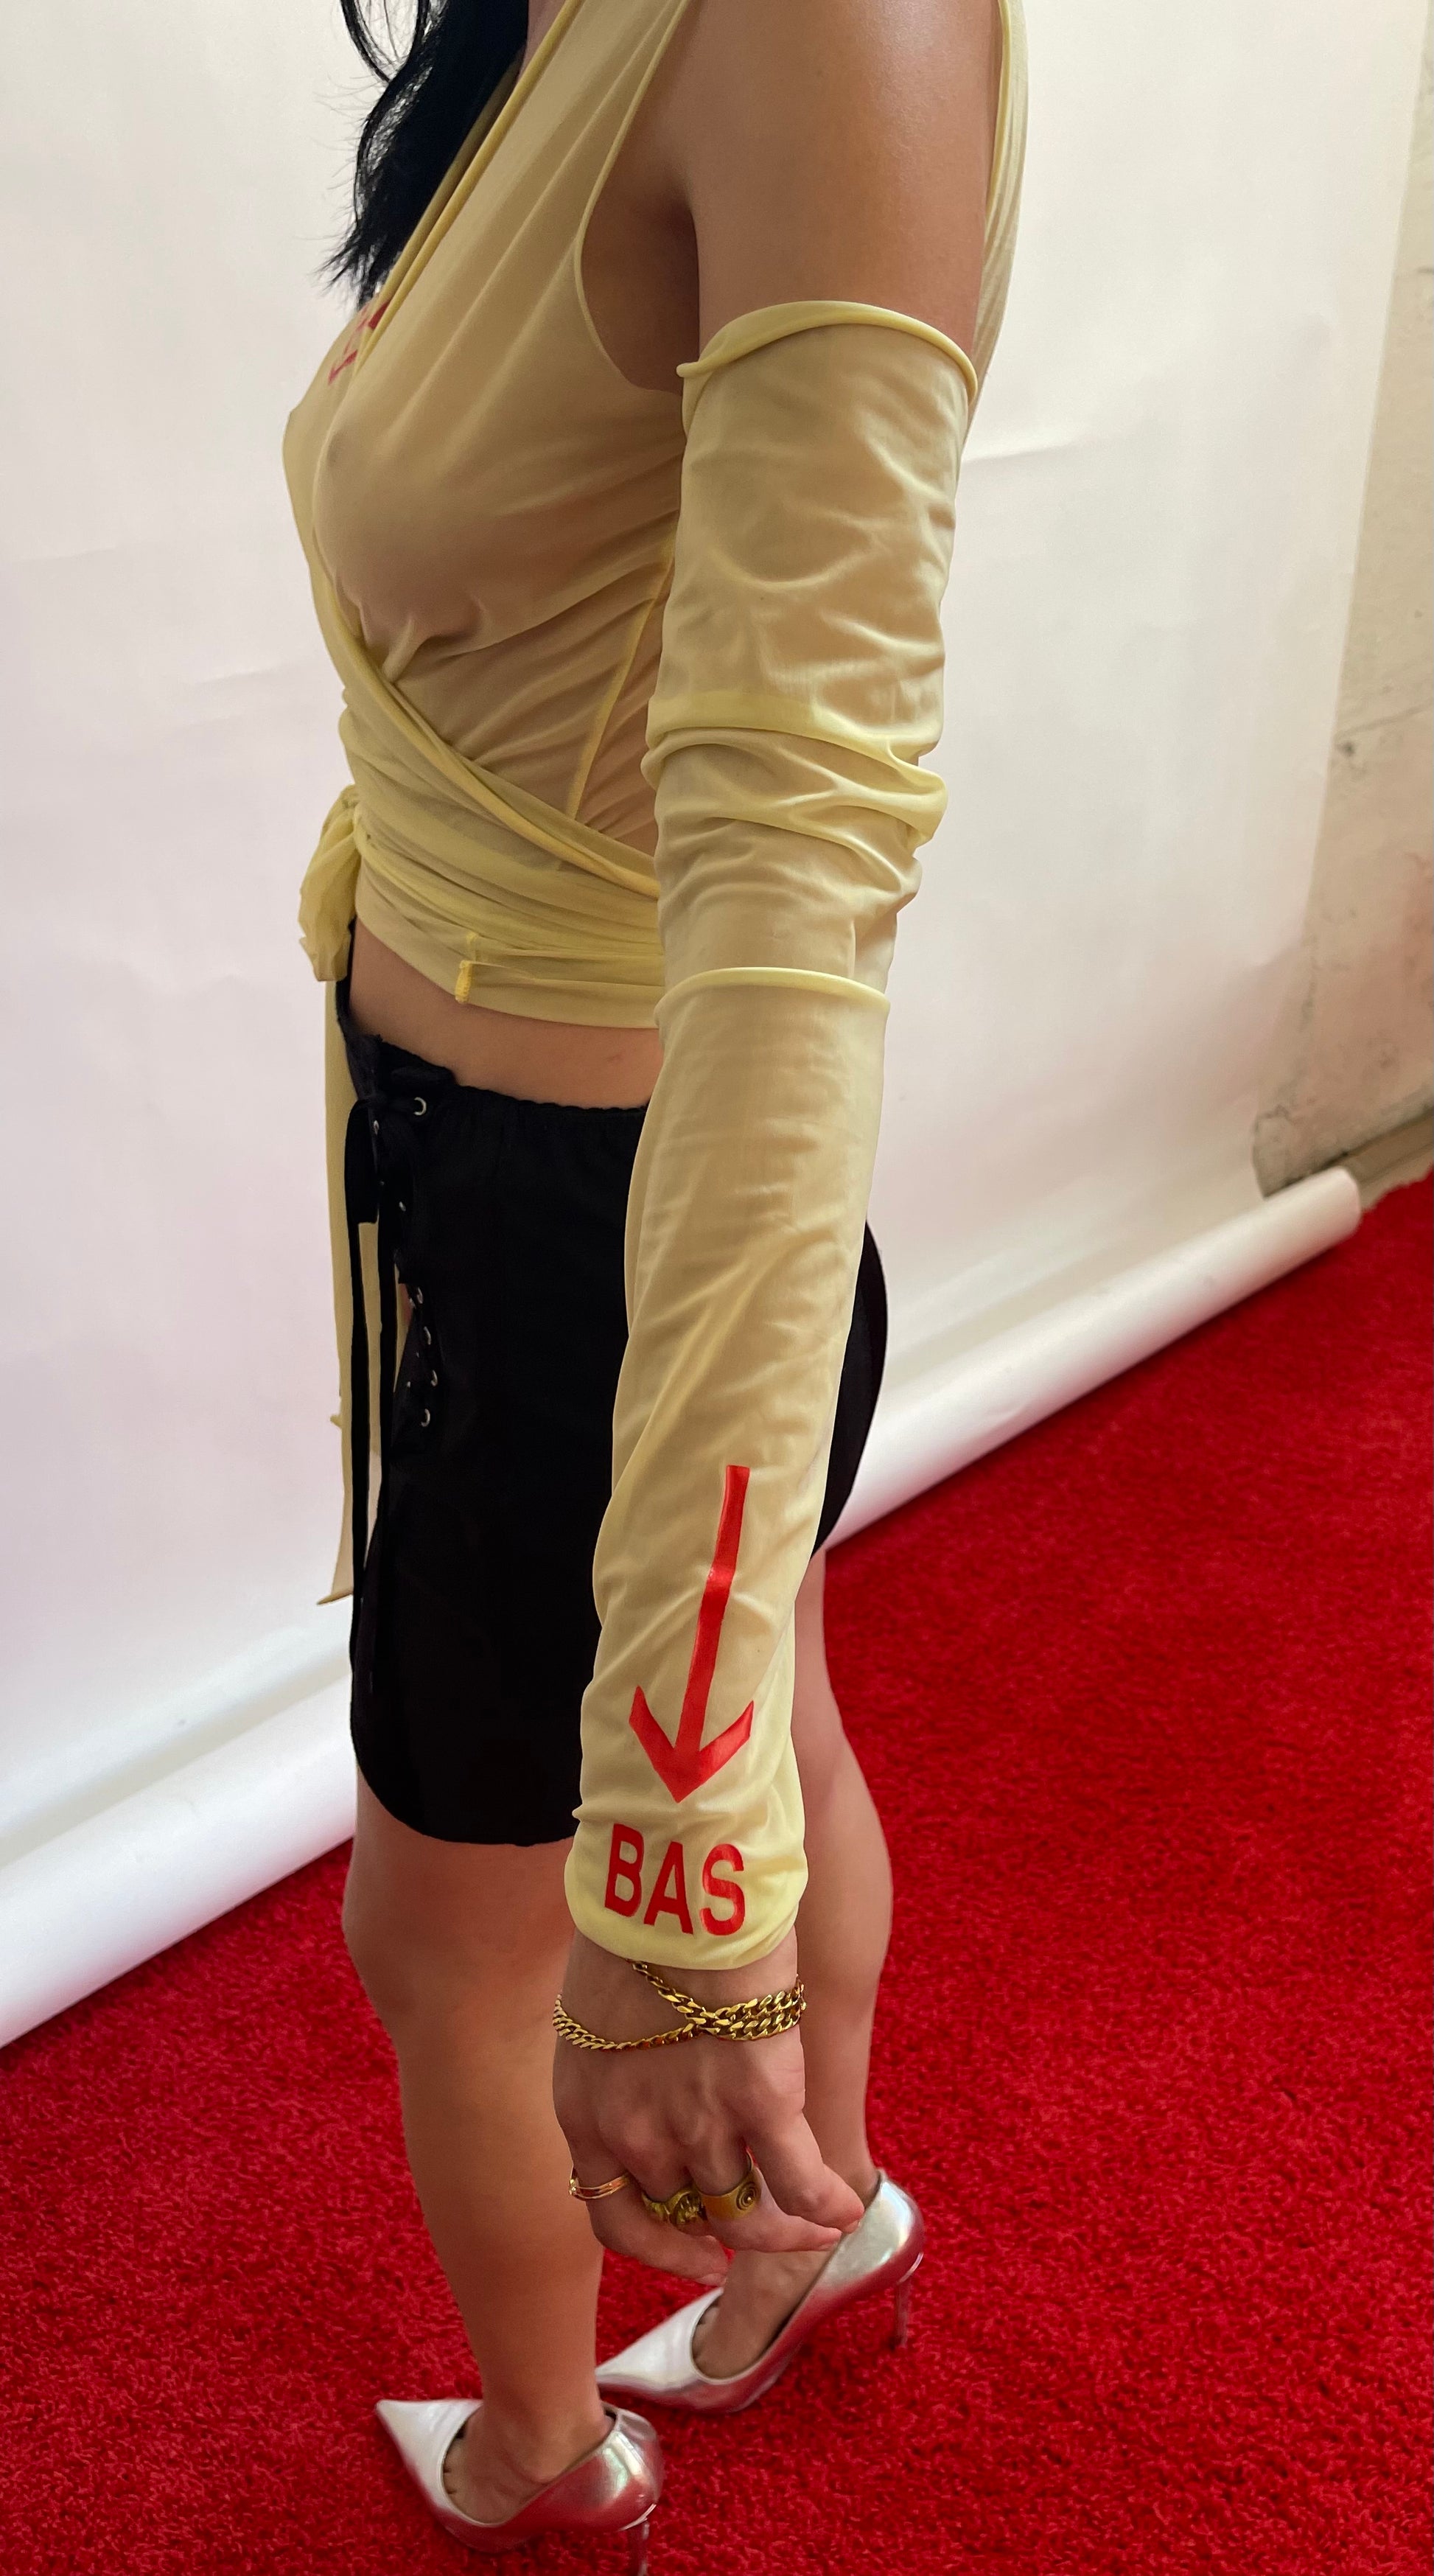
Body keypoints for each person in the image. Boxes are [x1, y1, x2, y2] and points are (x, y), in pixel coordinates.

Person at [283, 0, 1026, 2558]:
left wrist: (680, 1904)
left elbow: (804, 883)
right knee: (783, 1697)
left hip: (607, 1244)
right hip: (574, 1207)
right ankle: (818, 2238)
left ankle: (540, 2463)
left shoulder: (820, 27)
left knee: (443, 1949)